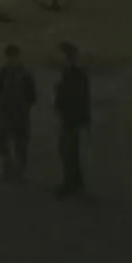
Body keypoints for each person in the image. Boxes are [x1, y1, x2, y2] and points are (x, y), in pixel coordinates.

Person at [0, 45, 37, 180]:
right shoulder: (4, 72)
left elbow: (32, 96)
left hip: (20, 113)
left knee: (20, 143)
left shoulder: (26, 74)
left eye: (13, 57)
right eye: (9, 57)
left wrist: (22, 107)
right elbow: (0, 91)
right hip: (5, 112)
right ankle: (8, 164)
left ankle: (20, 171)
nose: (11, 60)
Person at [54, 42, 91, 197]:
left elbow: (81, 99)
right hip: (70, 118)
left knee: (67, 151)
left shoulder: (75, 75)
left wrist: (81, 120)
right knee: (70, 151)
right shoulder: (70, 73)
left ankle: (70, 184)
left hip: (72, 119)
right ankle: (75, 182)